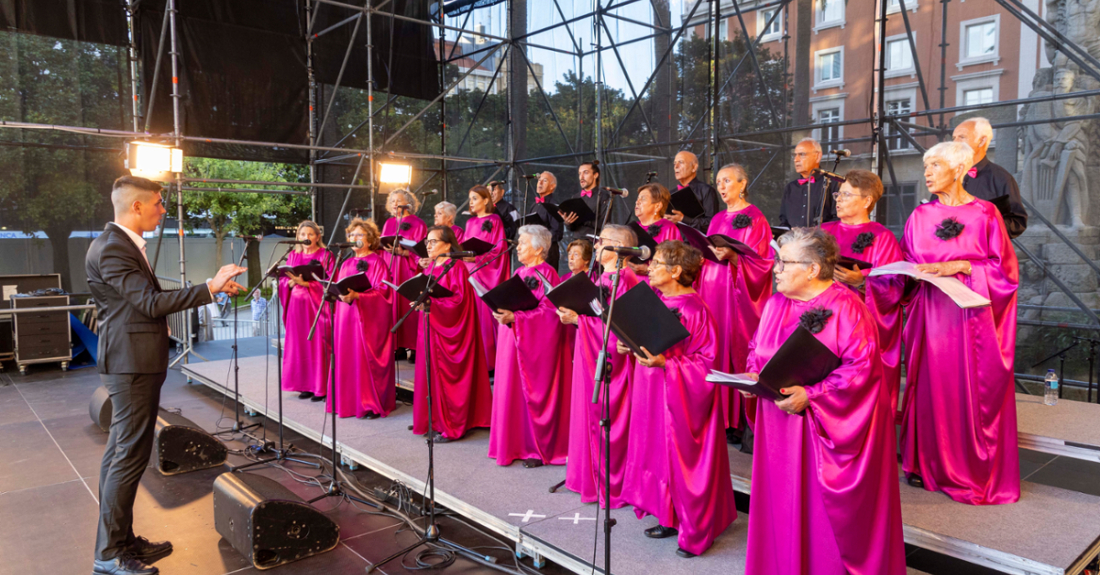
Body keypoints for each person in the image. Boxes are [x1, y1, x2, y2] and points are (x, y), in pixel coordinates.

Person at [87, 176, 246, 575]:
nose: (163, 209)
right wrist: (210, 287)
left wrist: (208, 291)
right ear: (136, 206)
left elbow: (140, 305)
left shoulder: (118, 244)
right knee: (127, 457)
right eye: (158, 203)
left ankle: (120, 541)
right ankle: (109, 555)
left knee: (123, 455)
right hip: (131, 364)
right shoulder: (112, 248)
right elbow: (150, 303)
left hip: (134, 360)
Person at [743, 227, 905, 575]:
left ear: (813, 269)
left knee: (819, 515)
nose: (776, 269)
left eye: (785, 263)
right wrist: (750, 377)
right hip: (778, 427)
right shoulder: (774, 304)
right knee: (782, 505)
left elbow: (861, 369)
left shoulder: (847, 306)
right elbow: (757, 350)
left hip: (821, 430)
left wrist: (812, 394)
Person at [900, 141, 1021, 505]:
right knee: (931, 389)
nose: (927, 172)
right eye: (926, 166)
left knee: (967, 390)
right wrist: (894, 275)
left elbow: (1006, 272)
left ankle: (970, 468)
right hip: (930, 316)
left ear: (957, 169)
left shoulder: (985, 213)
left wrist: (964, 265)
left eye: (934, 165)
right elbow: (907, 265)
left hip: (972, 320)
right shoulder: (919, 217)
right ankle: (929, 463)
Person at [620, 240, 735, 558]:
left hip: (683, 400)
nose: (650, 267)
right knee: (657, 453)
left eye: (657, 263)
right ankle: (668, 515)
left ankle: (696, 529)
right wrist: (627, 343)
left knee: (682, 460)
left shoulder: (696, 309)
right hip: (652, 392)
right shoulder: (654, 299)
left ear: (676, 271)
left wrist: (667, 363)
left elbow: (708, 364)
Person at [559, 225, 640, 508]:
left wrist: (577, 319)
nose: (596, 246)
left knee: (604, 417)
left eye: (602, 241)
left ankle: (610, 484)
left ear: (618, 247)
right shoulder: (605, 276)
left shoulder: (623, 277)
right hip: (590, 352)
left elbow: (617, 325)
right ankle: (589, 478)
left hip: (609, 360)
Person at [694, 164, 774, 437]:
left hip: (736, 293)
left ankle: (738, 422)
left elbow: (763, 262)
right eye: (718, 182)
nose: (722, 186)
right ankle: (717, 414)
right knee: (714, 346)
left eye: (727, 181)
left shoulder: (756, 217)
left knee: (733, 343)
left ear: (742, 183)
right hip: (711, 290)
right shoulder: (716, 218)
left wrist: (734, 257)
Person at [820, 170, 906, 419]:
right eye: (838, 194)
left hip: (857, 329)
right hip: (822, 323)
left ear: (867, 200)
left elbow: (895, 286)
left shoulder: (882, 238)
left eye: (845, 194)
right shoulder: (824, 231)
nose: (837, 199)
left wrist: (862, 282)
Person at [488, 225, 573, 467]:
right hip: (512, 338)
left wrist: (517, 318)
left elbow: (549, 313)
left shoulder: (546, 273)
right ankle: (512, 444)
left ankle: (535, 448)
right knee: (509, 390)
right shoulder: (522, 272)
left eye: (522, 243)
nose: (518, 248)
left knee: (528, 392)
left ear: (538, 248)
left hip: (531, 342)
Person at [412, 226, 493, 442]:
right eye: (426, 242)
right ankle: (434, 419)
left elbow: (459, 302)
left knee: (448, 376)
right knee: (429, 373)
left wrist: (432, 304)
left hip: (450, 332)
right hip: (430, 328)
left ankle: (453, 425)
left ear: (448, 245)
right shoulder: (430, 269)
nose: (428, 246)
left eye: (433, 242)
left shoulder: (456, 268)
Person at [330, 218, 395, 419]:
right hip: (346, 316)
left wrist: (358, 296)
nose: (354, 238)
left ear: (370, 239)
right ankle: (348, 401)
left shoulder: (378, 262)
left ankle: (369, 404)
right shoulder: (347, 262)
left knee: (364, 358)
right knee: (348, 357)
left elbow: (384, 293)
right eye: (351, 235)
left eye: (359, 235)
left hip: (367, 319)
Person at [280, 220, 335, 402]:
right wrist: (289, 283)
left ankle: (321, 387)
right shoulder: (293, 256)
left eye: (310, 234)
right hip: (296, 309)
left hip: (316, 308)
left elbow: (331, 282)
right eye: (302, 235)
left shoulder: (325, 255)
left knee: (317, 345)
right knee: (300, 345)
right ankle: (305, 385)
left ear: (318, 237)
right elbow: (283, 281)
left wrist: (308, 284)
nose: (306, 237)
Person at [954, 117, 1028, 238]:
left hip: (982, 254)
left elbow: (1018, 222)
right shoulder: (945, 176)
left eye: (962, 137)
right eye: (954, 138)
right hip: (946, 255)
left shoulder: (1001, 178)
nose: (955, 142)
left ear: (982, 141)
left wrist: (985, 225)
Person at [464, 185, 511, 368]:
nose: (471, 202)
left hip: (486, 273)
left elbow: (499, 249)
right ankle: (476, 360)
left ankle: (491, 362)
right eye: (470, 199)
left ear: (486, 200)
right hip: (470, 272)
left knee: (486, 317)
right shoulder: (469, 223)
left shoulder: (495, 220)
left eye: (475, 198)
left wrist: (476, 257)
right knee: (473, 317)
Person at [381, 189, 427, 361]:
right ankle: (397, 346)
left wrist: (405, 253)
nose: (394, 203)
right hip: (391, 266)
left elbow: (422, 251)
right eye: (391, 200)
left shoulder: (419, 223)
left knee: (410, 304)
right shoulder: (388, 223)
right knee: (394, 307)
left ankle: (415, 347)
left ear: (407, 202)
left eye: (397, 200)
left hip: (408, 269)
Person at [778, 137, 837, 228]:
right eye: (795, 155)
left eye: (802, 154)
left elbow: (837, 218)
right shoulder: (790, 188)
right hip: (794, 240)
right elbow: (784, 221)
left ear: (817, 156)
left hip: (822, 240)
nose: (796, 160)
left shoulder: (831, 183)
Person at [628, 183, 682, 276]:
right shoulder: (631, 228)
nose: (637, 202)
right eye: (637, 199)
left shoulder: (668, 228)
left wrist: (648, 270)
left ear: (657, 206)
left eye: (643, 198)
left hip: (656, 282)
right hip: (630, 280)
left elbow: (676, 262)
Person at [667, 151, 720, 232]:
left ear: (694, 167)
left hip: (696, 243)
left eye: (681, 162)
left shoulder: (706, 190)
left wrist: (684, 219)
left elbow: (712, 223)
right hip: (675, 241)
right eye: (674, 164)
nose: (676, 166)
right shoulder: (670, 194)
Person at [560, 160, 615, 238]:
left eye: (585, 173)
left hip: (594, 241)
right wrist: (568, 222)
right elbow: (572, 228)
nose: (581, 177)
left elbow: (603, 224)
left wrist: (582, 220)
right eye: (579, 173)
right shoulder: (575, 197)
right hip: (577, 240)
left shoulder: (604, 195)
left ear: (595, 175)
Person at [534, 171, 564, 271]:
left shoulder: (554, 205)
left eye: (544, 180)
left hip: (547, 251)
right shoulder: (534, 205)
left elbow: (557, 233)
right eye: (539, 180)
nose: (540, 183)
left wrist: (541, 240)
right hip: (533, 250)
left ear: (552, 186)